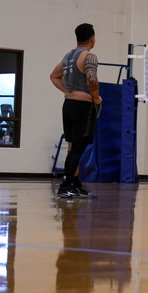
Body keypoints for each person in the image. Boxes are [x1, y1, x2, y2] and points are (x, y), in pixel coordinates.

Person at [49, 23, 101, 199]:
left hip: (68, 105)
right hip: (82, 107)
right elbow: (92, 79)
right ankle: (65, 185)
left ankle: (75, 183)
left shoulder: (68, 57)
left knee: (72, 146)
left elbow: (54, 76)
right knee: (78, 147)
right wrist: (96, 98)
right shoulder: (89, 56)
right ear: (92, 39)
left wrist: (68, 90)